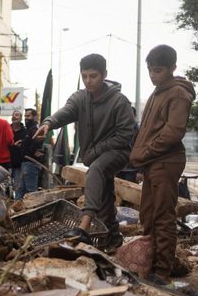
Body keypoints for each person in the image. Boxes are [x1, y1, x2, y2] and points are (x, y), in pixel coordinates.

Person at [34, 53, 135, 251]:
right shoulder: (79, 98)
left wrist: (96, 151)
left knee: (95, 171)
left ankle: (84, 227)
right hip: (95, 156)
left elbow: (125, 135)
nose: (88, 81)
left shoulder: (119, 101)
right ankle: (112, 239)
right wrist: (48, 123)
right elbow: (67, 111)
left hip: (118, 152)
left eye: (93, 76)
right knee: (105, 197)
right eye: (85, 76)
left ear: (104, 74)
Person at [129, 44, 195, 285]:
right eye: (150, 70)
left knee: (162, 216)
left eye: (157, 71)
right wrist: (141, 163)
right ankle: (149, 264)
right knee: (147, 215)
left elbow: (173, 132)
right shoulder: (158, 92)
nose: (152, 75)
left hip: (166, 161)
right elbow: (147, 132)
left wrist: (145, 153)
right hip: (151, 163)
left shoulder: (177, 93)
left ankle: (162, 272)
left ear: (172, 68)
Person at [16, 108, 41, 199]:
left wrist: (31, 151)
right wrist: (22, 143)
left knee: (32, 192)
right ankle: (15, 211)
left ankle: (35, 210)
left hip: (31, 163)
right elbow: (29, 142)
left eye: (28, 116)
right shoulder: (29, 129)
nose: (26, 118)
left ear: (34, 117)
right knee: (20, 189)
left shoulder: (35, 129)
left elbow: (36, 143)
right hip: (26, 163)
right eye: (25, 116)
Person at [9, 111, 25, 197]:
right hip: (7, 163)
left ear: (21, 118)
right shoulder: (6, 129)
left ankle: (16, 207)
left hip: (19, 164)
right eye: (13, 115)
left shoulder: (25, 131)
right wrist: (13, 145)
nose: (14, 116)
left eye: (16, 115)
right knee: (6, 187)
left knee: (19, 187)